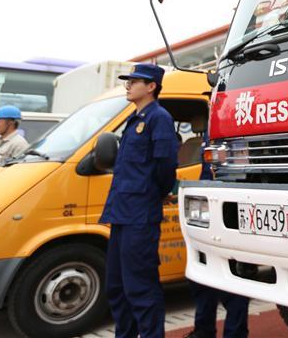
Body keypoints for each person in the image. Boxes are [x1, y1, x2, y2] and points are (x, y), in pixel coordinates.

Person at [100, 63, 179, 338]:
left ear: (151, 86)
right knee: (117, 286)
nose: (128, 85)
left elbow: (165, 164)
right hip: (121, 213)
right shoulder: (134, 119)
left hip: (140, 215)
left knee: (140, 287)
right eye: (128, 81)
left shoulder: (159, 118)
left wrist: (153, 194)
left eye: (135, 81)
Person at [184, 128, 249, 338]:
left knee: (234, 279)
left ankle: (235, 333)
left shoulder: (240, 126)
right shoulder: (210, 131)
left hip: (233, 209)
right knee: (202, 279)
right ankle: (204, 330)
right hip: (210, 210)